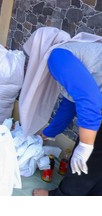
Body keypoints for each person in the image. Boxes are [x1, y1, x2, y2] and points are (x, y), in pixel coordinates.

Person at [17, 27, 101, 196]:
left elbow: (91, 101)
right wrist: (48, 133)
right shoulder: (76, 51)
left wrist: (85, 146)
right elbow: (69, 104)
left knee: (85, 166)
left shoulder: (58, 56)